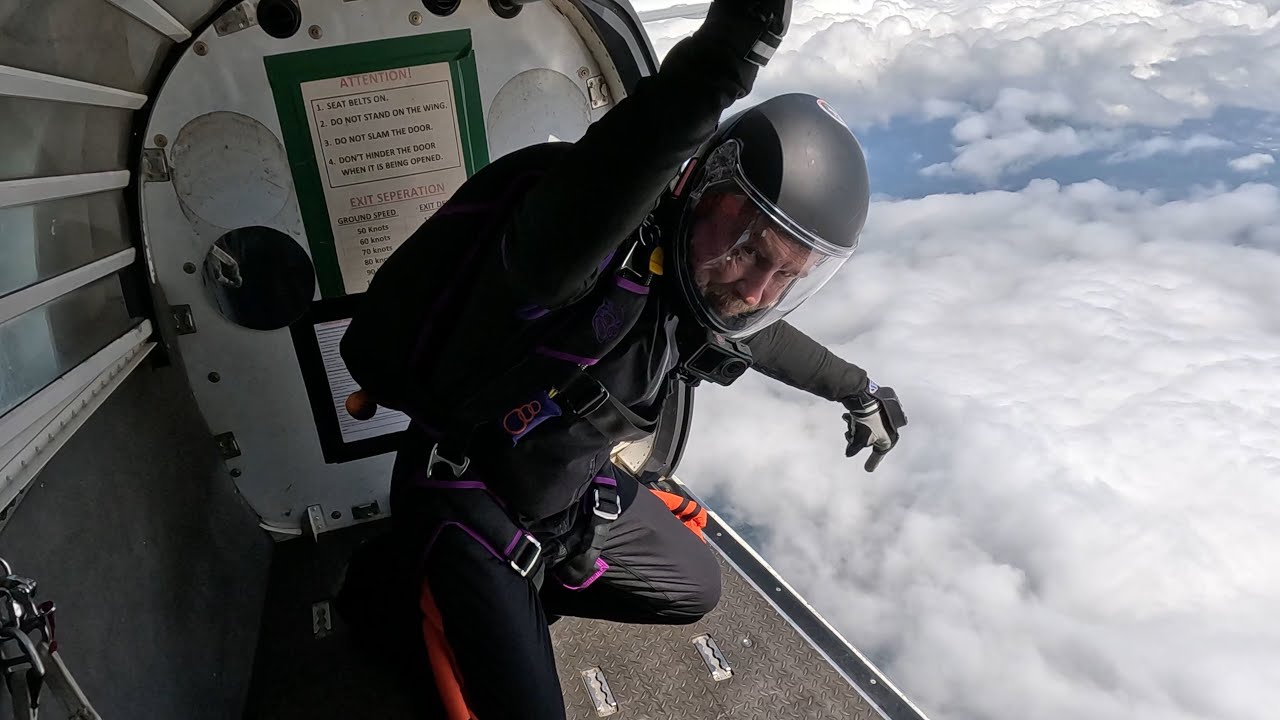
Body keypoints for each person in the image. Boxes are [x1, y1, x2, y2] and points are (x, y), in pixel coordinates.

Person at [337, 0, 908, 716]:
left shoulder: (697, 285)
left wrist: (857, 389)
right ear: (707, 191)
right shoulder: (573, 254)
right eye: (752, 251)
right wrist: (738, 46)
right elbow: (647, 142)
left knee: (693, 588)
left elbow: (760, 335)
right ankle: (401, 588)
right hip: (469, 496)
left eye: (785, 276)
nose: (757, 288)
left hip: (566, 498)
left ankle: (521, 593)